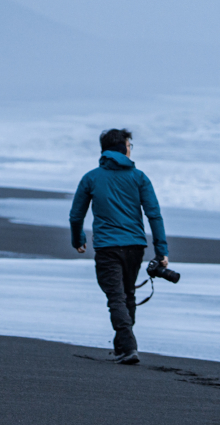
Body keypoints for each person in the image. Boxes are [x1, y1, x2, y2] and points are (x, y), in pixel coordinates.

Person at [69, 127, 170, 365]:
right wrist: (162, 250)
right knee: (128, 295)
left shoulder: (91, 177)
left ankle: (128, 347)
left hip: (107, 247)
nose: (130, 149)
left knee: (116, 297)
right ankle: (122, 346)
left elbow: (76, 216)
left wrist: (78, 240)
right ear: (123, 148)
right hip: (135, 246)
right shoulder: (139, 177)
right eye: (129, 145)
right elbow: (154, 215)